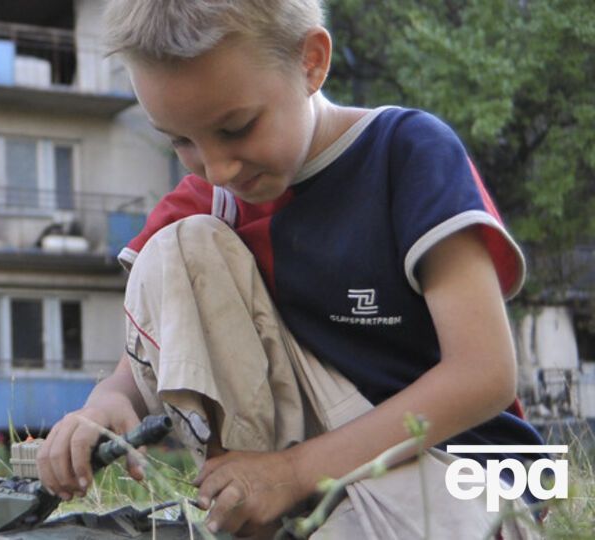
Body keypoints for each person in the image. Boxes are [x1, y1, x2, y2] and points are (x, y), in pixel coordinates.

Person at [37, 0, 546, 537]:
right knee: (175, 246)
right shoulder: (209, 205)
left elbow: (485, 375)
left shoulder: (407, 153)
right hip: (306, 481)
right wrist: (110, 401)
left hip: (457, 460)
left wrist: (296, 471)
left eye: (236, 127)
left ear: (311, 62)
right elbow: (145, 359)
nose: (218, 169)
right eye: (181, 141)